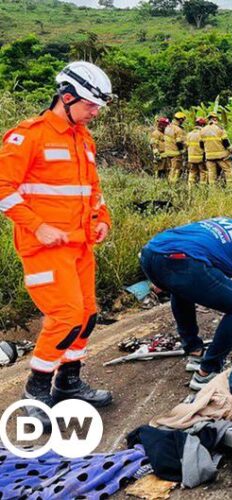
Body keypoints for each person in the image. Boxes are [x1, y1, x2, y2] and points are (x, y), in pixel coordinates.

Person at [0, 61, 115, 424]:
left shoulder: (83, 137)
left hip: (80, 245)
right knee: (65, 317)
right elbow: (3, 188)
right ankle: (35, 392)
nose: (95, 112)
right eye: (90, 105)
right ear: (66, 98)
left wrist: (103, 220)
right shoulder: (28, 136)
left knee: (87, 315)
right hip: (45, 248)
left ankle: (69, 382)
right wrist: (39, 226)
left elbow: (91, 191)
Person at [140, 216, 232, 390]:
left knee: (182, 288)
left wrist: (163, 269)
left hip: (150, 253)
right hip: (182, 261)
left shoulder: (229, 222)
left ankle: (194, 352)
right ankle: (207, 372)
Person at [201, 113, 232, 187]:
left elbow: (201, 145)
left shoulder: (203, 130)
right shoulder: (220, 128)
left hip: (209, 156)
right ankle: (231, 188)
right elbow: (225, 142)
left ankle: (213, 190)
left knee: (211, 173)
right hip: (221, 155)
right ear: (215, 119)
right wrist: (231, 150)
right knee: (228, 170)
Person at [163, 111, 186, 183]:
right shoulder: (178, 129)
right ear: (180, 120)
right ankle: (173, 184)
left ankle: (169, 181)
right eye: (183, 120)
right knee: (176, 169)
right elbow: (179, 142)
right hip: (175, 153)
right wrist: (182, 150)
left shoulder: (168, 127)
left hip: (167, 152)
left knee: (170, 169)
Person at [185, 117, 207, 187]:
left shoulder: (189, 134)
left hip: (191, 158)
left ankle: (190, 187)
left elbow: (186, 146)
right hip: (200, 157)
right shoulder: (202, 133)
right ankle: (203, 188)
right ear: (203, 125)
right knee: (203, 172)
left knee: (192, 172)